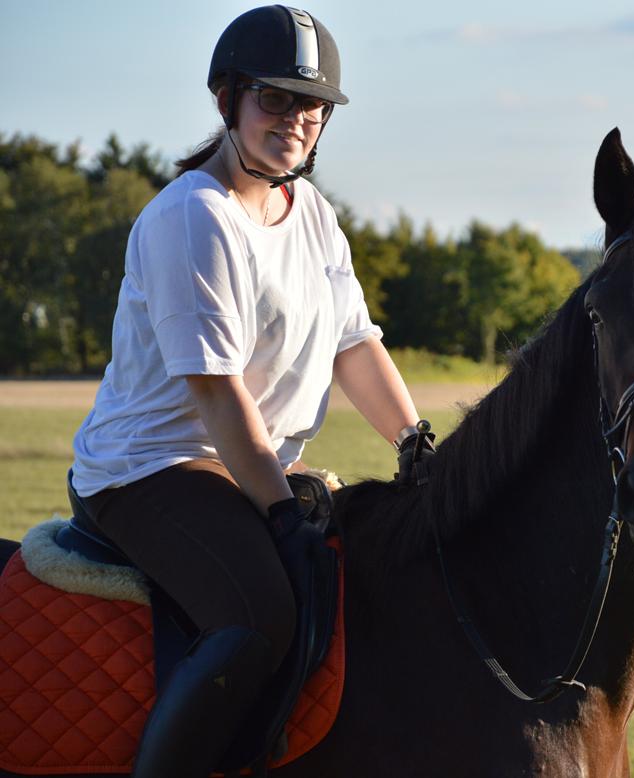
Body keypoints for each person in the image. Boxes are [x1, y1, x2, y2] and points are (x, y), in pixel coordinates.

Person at [69, 6, 431, 776]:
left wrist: (414, 442)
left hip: (245, 465)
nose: (295, 120)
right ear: (226, 98)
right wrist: (278, 509)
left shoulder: (315, 216)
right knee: (260, 615)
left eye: (312, 106)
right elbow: (217, 395)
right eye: (275, 98)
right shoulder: (193, 218)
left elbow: (355, 343)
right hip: (153, 470)